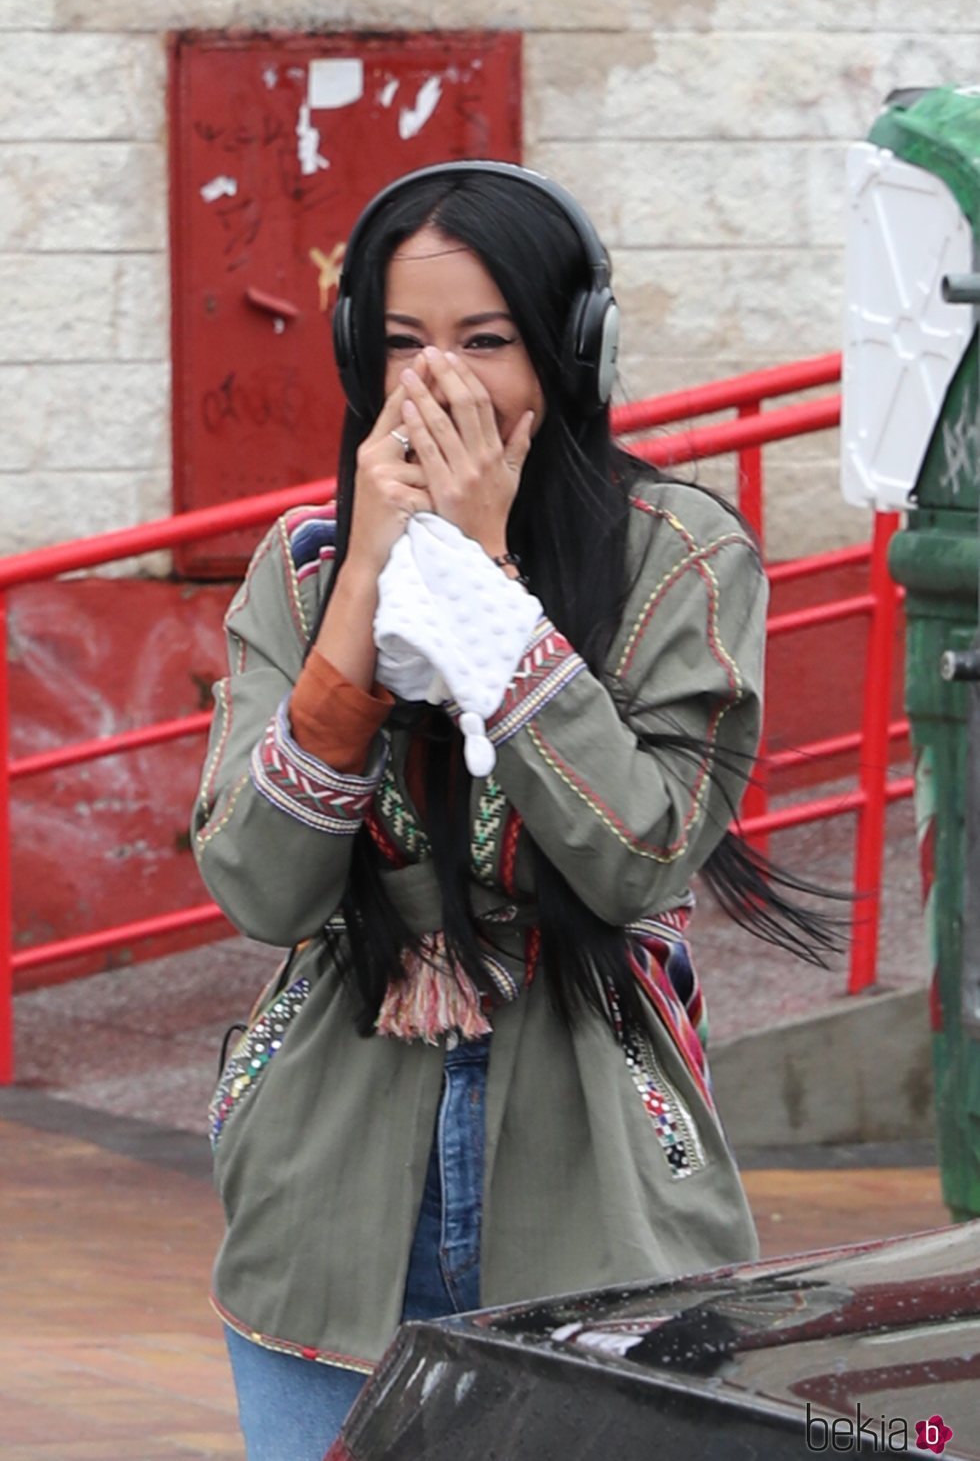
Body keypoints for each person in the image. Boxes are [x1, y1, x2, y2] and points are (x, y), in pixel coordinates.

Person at [192, 161, 816, 1460]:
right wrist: (364, 588)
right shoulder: (304, 569)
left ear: (570, 348)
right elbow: (261, 887)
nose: (442, 383)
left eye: (487, 341)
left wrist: (482, 592)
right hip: (325, 1187)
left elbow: (638, 856)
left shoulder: (678, 555)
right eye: (403, 343)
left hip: (596, 1167)